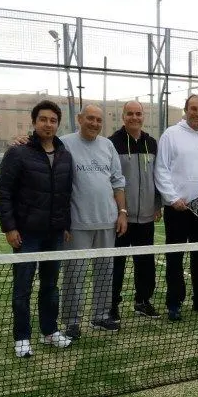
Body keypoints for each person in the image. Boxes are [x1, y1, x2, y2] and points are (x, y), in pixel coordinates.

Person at [0, 100, 74, 358]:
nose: (48, 124)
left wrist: (65, 225)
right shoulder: (17, 153)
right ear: (34, 122)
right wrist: (9, 227)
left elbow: (65, 194)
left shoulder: (65, 154)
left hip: (54, 233)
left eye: (53, 120)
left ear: (57, 124)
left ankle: (49, 332)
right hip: (26, 234)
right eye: (43, 119)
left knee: (51, 286)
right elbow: (4, 192)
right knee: (23, 287)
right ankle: (22, 338)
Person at [60, 104, 127, 336]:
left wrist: (122, 213)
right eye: (90, 118)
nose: (95, 123)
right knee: (74, 275)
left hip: (107, 222)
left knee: (105, 272)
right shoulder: (65, 143)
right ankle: (71, 321)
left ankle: (100, 316)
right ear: (79, 119)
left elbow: (118, 182)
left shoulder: (108, 145)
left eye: (99, 120)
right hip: (77, 224)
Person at [154, 94, 198, 321]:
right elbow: (161, 169)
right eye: (194, 109)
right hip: (177, 209)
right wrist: (173, 198)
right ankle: (174, 302)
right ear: (186, 110)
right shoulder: (170, 135)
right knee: (175, 258)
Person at [109, 100, 162, 321]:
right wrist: (118, 210)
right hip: (120, 218)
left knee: (145, 263)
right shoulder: (111, 143)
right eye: (130, 114)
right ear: (123, 117)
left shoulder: (152, 143)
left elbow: (158, 176)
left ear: (143, 117)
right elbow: (110, 179)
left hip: (147, 217)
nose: (134, 117)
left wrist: (157, 205)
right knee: (116, 263)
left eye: (138, 114)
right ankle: (112, 305)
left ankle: (142, 301)